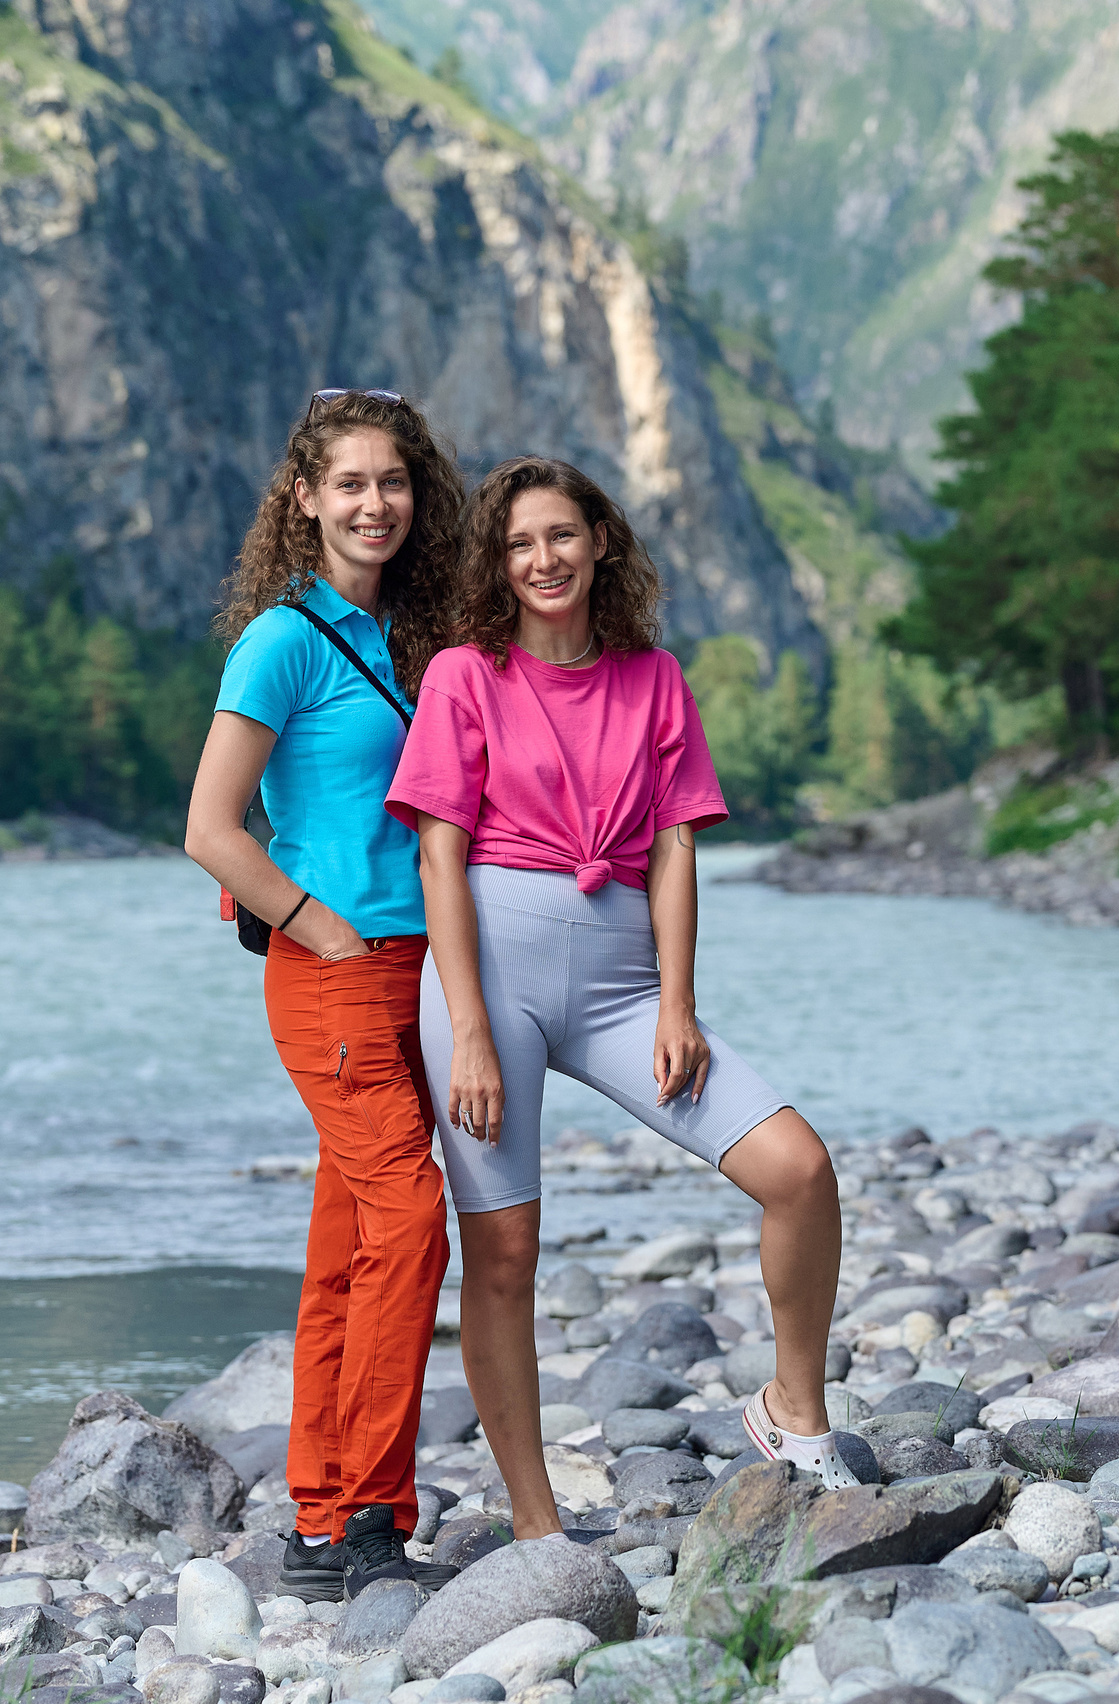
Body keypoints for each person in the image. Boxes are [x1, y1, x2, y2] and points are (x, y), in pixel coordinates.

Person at [388, 455, 855, 1538]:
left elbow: (678, 846)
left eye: (560, 535)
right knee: (502, 1252)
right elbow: (438, 862)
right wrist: (464, 1031)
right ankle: (537, 1522)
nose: (541, 559)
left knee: (798, 1169)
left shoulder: (655, 679)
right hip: (489, 984)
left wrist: (677, 1003)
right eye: (517, 545)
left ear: (601, 542)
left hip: (624, 989)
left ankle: (795, 1411)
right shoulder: (465, 673)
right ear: (495, 568)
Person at [183, 389, 465, 1601]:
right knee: (411, 1220)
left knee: (351, 1245)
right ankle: (367, 1512)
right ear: (304, 499)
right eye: (348, 484)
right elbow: (208, 827)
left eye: (391, 483)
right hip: (335, 975)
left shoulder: (409, 635)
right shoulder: (282, 641)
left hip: (416, 973)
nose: (372, 504)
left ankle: (318, 1511)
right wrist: (313, 922)